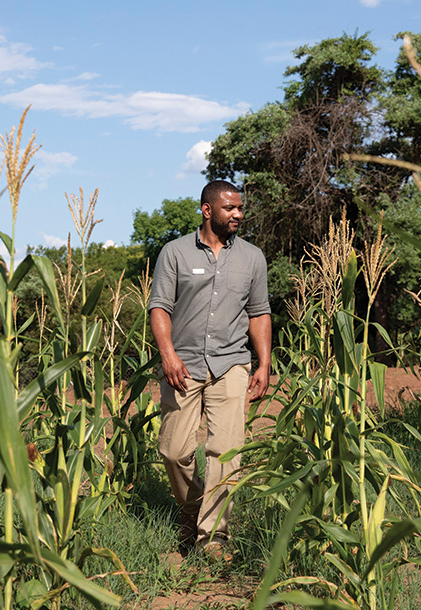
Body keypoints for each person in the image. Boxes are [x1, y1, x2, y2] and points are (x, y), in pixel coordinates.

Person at [147, 180, 271, 558]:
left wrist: (264, 362)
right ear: (206, 210)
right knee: (173, 450)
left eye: (240, 208)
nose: (237, 214)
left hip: (232, 362)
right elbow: (159, 308)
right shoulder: (175, 253)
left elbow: (259, 312)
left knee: (225, 451)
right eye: (229, 208)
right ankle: (194, 508)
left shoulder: (252, 257)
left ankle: (213, 537)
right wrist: (167, 355)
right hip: (182, 365)